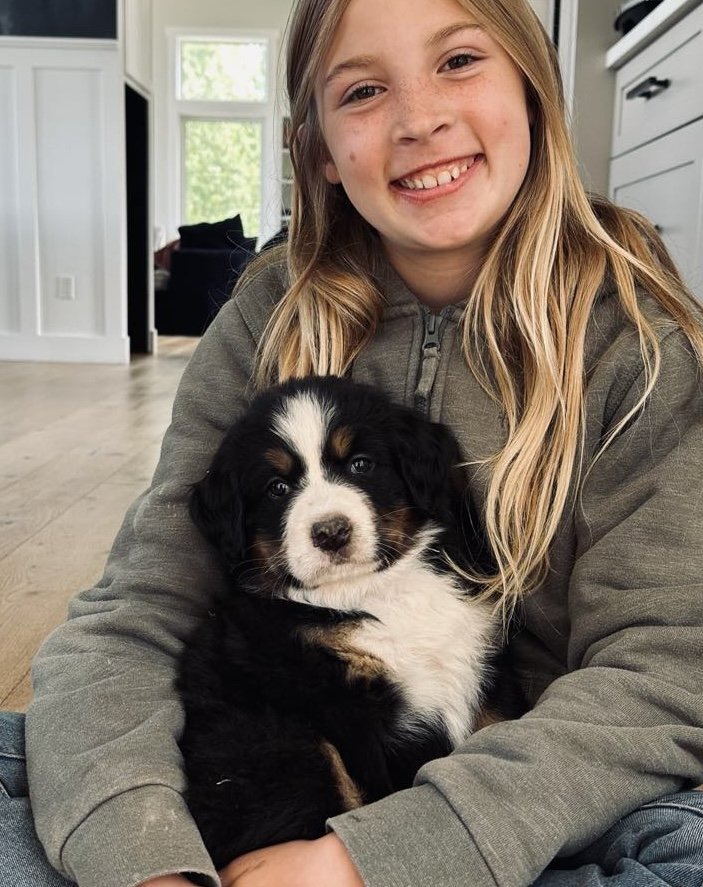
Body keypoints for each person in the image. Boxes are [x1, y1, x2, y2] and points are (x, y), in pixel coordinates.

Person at [2, 0, 702, 883]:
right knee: (57, 762)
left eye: (457, 61)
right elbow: (138, 613)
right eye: (363, 90)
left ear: (533, 90)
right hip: (273, 789)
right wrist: (147, 861)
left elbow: (666, 671)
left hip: (555, 791)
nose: (419, 119)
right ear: (319, 150)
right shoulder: (264, 318)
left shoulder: (639, 348)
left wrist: (372, 859)